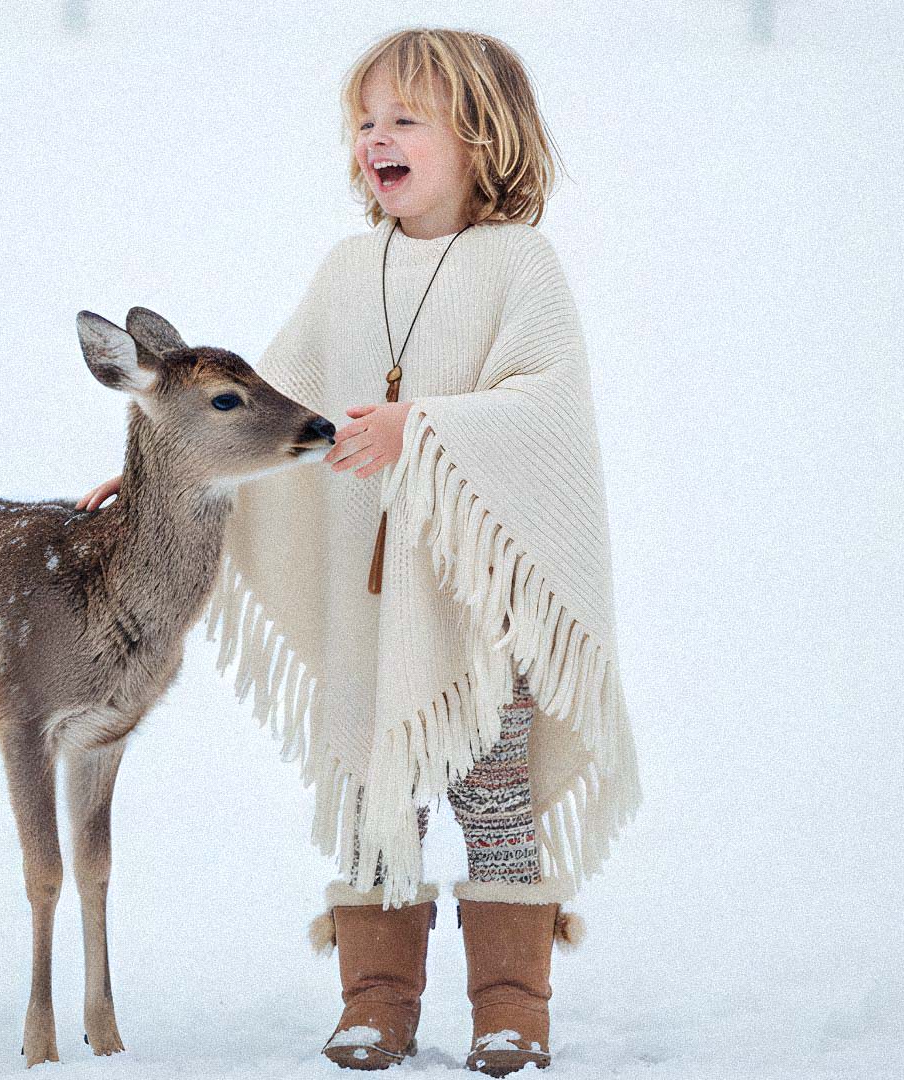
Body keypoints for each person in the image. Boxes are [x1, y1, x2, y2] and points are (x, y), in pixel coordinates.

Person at [77, 27, 638, 1075]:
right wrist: (163, 475)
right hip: (369, 609)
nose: (377, 138)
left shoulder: (521, 265)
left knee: (494, 796)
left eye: (405, 120)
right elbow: (271, 410)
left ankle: (512, 1009)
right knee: (379, 801)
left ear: (481, 137)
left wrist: (416, 428)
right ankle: (376, 1003)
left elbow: (547, 412)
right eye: (364, 122)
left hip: (481, 619)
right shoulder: (347, 271)